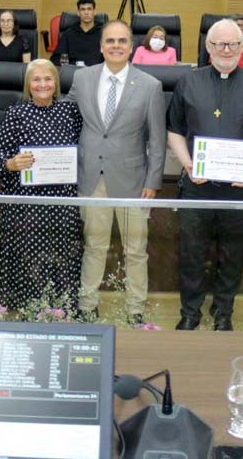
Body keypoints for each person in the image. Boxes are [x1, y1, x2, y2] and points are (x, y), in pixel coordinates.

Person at [168, 19, 243, 331]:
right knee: (191, 252)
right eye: (220, 44)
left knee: (232, 253)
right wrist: (189, 163)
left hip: (238, 188)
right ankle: (190, 312)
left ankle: (223, 313)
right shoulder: (188, 82)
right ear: (208, 47)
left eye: (234, 44)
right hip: (196, 186)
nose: (227, 49)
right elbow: (174, 131)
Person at [67, 20, 166, 323]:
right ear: (101, 46)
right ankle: (86, 305)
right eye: (110, 41)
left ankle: (135, 309)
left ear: (131, 46)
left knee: (136, 251)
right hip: (91, 177)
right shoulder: (82, 78)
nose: (116, 46)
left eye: (122, 41)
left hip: (134, 182)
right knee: (94, 247)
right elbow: (66, 119)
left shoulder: (150, 85)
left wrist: (153, 181)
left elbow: (158, 139)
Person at [0, 59, 84, 314]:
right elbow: (0, 161)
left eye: (48, 79)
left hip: (62, 202)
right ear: (28, 84)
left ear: (56, 82)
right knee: (26, 259)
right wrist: (11, 163)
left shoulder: (70, 112)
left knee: (63, 257)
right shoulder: (16, 113)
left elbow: (84, 150)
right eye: (36, 79)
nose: (42, 84)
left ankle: (61, 308)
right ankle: (27, 308)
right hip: (25, 203)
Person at [51, 0, 103, 66]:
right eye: (83, 9)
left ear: (94, 12)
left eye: (89, 9)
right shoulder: (69, 33)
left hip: (97, 73)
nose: (86, 13)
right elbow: (56, 59)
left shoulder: (104, 33)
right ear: (78, 13)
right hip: (73, 72)